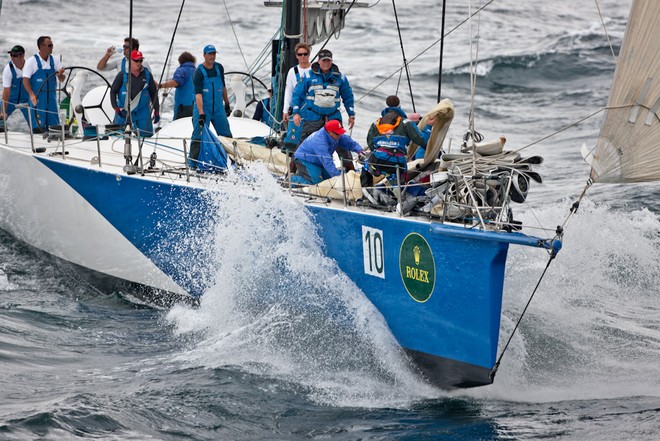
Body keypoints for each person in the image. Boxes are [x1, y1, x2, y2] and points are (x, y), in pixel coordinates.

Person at [361, 95, 433, 190]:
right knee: (398, 184)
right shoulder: (406, 123)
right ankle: (398, 196)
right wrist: (428, 126)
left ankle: (366, 192)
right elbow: (422, 140)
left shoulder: (376, 123)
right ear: (399, 106)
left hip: (376, 162)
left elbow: (370, 144)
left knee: (366, 168)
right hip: (396, 164)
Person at [291, 49, 355, 144]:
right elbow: (297, 94)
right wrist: (296, 112)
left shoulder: (341, 78)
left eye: (328, 60)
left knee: (340, 143)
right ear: (319, 61)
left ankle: (346, 159)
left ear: (332, 61)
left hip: (333, 116)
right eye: (324, 60)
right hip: (313, 117)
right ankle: (298, 159)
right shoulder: (308, 76)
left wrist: (351, 115)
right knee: (306, 143)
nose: (326, 63)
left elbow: (348, 97)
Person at [189, 44, 232, 167]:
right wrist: (201, 114)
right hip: (203, 109)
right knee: (199, 136)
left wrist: (227, 103)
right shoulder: (199, 72)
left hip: (218, 109)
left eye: (214, 53)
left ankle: (230, 162)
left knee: (226, 135)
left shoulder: (219, 68)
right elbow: (198, 95)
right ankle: (193, 164)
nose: (212, 56)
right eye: (210, 54)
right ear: (204, 55)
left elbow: (223, 87)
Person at [290, 120, 364, 185]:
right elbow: (327, 162)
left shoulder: (336, 135)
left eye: (340, 132)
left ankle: (306, 174)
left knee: (328, 181)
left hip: (318, 161)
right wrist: (339, 178)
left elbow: (349, 142)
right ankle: (291, 179)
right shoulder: (319, 141)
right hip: (305, 160)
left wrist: (360, 151)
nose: (340, 135)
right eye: (338, 133)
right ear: (329, 132)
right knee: (317, 183)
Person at [110, 50, 159, 137]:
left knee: (147, 138)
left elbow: (154, 93)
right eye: (136, 60)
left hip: (143, 112)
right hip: (124, 112)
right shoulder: (122, 75)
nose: (139, 63)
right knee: (118, 138)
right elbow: (113, 91)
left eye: (141, 60)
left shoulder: (147, 75)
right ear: (130, 61)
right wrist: (116, 109)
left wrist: (157, 111)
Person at [22, 36, 66, 132]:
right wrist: (32, 95)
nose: (52, 48)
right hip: (37, 100)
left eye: (52, 45)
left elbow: (62, 80)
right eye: (50, 45)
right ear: (41, 47)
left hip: (52, 100)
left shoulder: (55, 61)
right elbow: (25, 80)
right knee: (38, 128)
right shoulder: (31, 62)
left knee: (54, 128)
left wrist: (60, 75)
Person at [158, 51, 196, 120]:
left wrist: (160, 85)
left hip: (183, 107)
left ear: (181, 61)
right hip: (195, 106)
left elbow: (176, 82)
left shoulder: (182, 70)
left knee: (178, 125)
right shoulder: (196, 71)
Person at [1, 45, 30, 130]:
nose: (12, 58)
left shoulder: (30, 67)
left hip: (26, 101)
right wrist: (3, 111)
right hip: (11, 99)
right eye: (11, 55)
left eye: (15, 55)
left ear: (22, 56)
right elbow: (6, 91)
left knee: (37, 125)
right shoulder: (8, 69)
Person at [282, 42, 312, 123]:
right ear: (296, 56)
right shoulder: (292, 71)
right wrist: (285, 110)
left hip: (312, 109)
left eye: (305, 54)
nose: (302, 56)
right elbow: (289, 90)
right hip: (297, 108)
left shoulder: (314, 70)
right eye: (300, 54)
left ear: (309, 55)